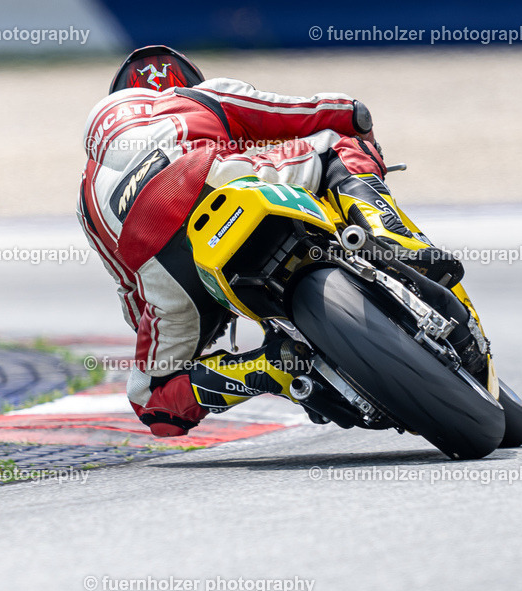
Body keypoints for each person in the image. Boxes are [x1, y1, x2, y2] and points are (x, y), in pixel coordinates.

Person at [77, 45, 466, 437]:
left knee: (152, 400)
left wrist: (190, 320)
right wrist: (363, 132)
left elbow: (131, 297)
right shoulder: (201, 96)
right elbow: (325, 113)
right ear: (189, 79)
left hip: (160, 263)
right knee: (336, 144)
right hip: (217, 180)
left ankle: (267, 369)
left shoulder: (86, 195)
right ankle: (392, 239)